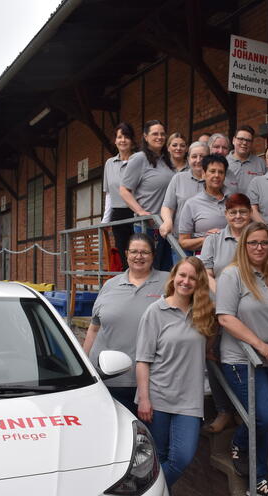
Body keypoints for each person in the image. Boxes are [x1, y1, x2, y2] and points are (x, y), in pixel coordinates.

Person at [216, 222, 268, 496]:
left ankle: (259, 480)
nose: (259, 248)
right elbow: (225, 318)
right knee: (262, 416)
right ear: (244, 245)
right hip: (242, 359)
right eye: (253, 243)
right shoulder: (232, 275)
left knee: (264, 420)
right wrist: (261, 345)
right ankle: (247, 457)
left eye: (264, 242)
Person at [135, 257, 216, 488]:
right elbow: (142, 359)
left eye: (193, 278)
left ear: (199, 282)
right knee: (158, 457)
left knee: (182, 457)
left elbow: (208, 344)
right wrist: (144, 399)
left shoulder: (203, 313)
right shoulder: (156, 311)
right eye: (182, 275)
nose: (186, 281)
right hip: (157, 396)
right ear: (174, 277)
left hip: (189, 399)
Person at [83, 233, 168, 415]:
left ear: (153, 255)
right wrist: (84, 364)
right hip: (108, 378)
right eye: (134, 252)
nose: (139, 256)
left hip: (151, 381)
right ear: (126, 254)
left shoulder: (168, 282)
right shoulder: (110, 285)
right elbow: (94, 329)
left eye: (145, 252)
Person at [200, 193, 252, 434]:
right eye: (233, 212)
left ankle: (243, 409)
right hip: (219, 306)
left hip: (251, 308)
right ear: (226, 215)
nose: (238, 216)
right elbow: (207, 272)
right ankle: (223, 411)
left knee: (246, 358)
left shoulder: (257, 238)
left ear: (250, 213)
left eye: (242, 211)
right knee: (214, 356)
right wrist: (224, 298)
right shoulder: (214, 239)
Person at [120, 120, 176, 270]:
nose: (160, 137)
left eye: (162, 134)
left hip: (166, 226)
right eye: (155, 134)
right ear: (145, 136)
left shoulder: (166, 160)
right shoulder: (139, 158)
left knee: (165, 271)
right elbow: (124, 190)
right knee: (149, 271)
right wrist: (140, 211)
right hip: (148, 227)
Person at [160, 141, 210, 252]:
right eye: (194, 156)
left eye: (202, 156)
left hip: (209, 244)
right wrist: (168, 221)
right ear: (188, 159)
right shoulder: (178, 178)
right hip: (181, 244)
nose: (198, 160)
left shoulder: (215, 180)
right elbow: (167, 206)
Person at [178, 154, 228, 252]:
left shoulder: (233, 200)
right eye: (212, 171)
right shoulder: (192, 204)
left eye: (221, 172)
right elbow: (183, 241)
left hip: (232, 256)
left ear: (225, 176)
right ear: (204, 174)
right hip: (204, 258)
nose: (217, 175)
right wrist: (207, 240)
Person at [104, 122, 137, 270]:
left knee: (138, 253)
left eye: (126, 137)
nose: (123, 140)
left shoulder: (140, 160)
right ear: (115, 140)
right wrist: (105, 221)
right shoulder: (109, 164)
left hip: (137, 213)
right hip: (118, 215)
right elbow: (109, 194)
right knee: (124, 256)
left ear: (132, 140)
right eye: (119, 137)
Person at [228, 125, 267, 195]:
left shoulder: (261, 163)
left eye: (248, 140)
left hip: (255, 205)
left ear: (252, 143)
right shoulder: (224, 163)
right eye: (241, 139)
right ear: (233, 140)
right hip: (229, 205)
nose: (244, 143)